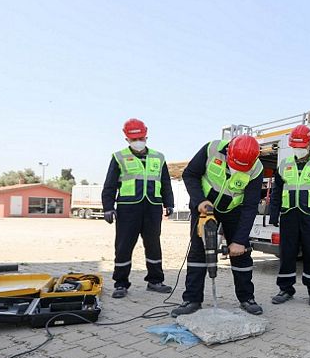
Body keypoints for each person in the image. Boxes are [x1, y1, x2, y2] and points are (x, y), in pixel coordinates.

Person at [171, 134, 264, 316]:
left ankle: (247, 298)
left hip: (234, 211)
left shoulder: (256, 168)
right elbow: (189, 174)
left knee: (242, 254)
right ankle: (192, 299)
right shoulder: (211, 149)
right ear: (229, 151)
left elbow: (251, 206)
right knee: (198, 252)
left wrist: (238, 241)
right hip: (205, 208)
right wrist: (199, 201)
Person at [102, 118, 174, 299]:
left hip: (152, 207)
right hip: (128, 208)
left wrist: (169, 203)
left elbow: (165, 182)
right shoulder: (118, 157)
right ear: (127, 140)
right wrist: (108, 207)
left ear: (146, 136)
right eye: (133, 139)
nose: (137, 142)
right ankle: (120, 283)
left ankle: (155, 280)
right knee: (124, 246)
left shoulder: (159, 157)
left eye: (140, 138)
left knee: (153, 245)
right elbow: (109, 185)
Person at [269, 125, 310, 306]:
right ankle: (285, 289)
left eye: (300, 146)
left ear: (309, 145)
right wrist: (273, 215)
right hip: (289, 215)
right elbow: (276, 192)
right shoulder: (284, 164)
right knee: (286, 253)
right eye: (294, 146)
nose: (297, 149)